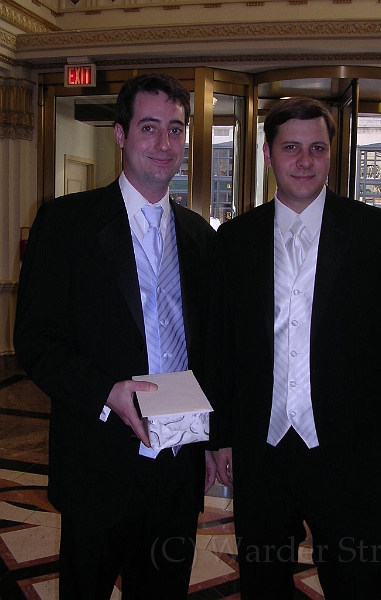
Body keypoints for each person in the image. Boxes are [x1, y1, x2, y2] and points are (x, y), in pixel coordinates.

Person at [209, 97, 381, 599]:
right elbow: (222, 346)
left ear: (331, 154)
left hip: (351, 448)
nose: (305, 160)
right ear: (268, 154)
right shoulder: (234, 239)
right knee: (263, 581)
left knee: (358, 577)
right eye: (290, 147)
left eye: (316, 148)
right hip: (261, 448)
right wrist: (220, 435)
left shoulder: (375, 233)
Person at [14, 73, 217, 600]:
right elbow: (36, 340)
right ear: (120, 134)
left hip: (177, 468)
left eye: (176, 129)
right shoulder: (66, 223)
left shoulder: (200, 237)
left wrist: (213, 442)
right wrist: (107, 391)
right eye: (149, 127)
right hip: (98, 464)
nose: (164, 143)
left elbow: (212, 351)